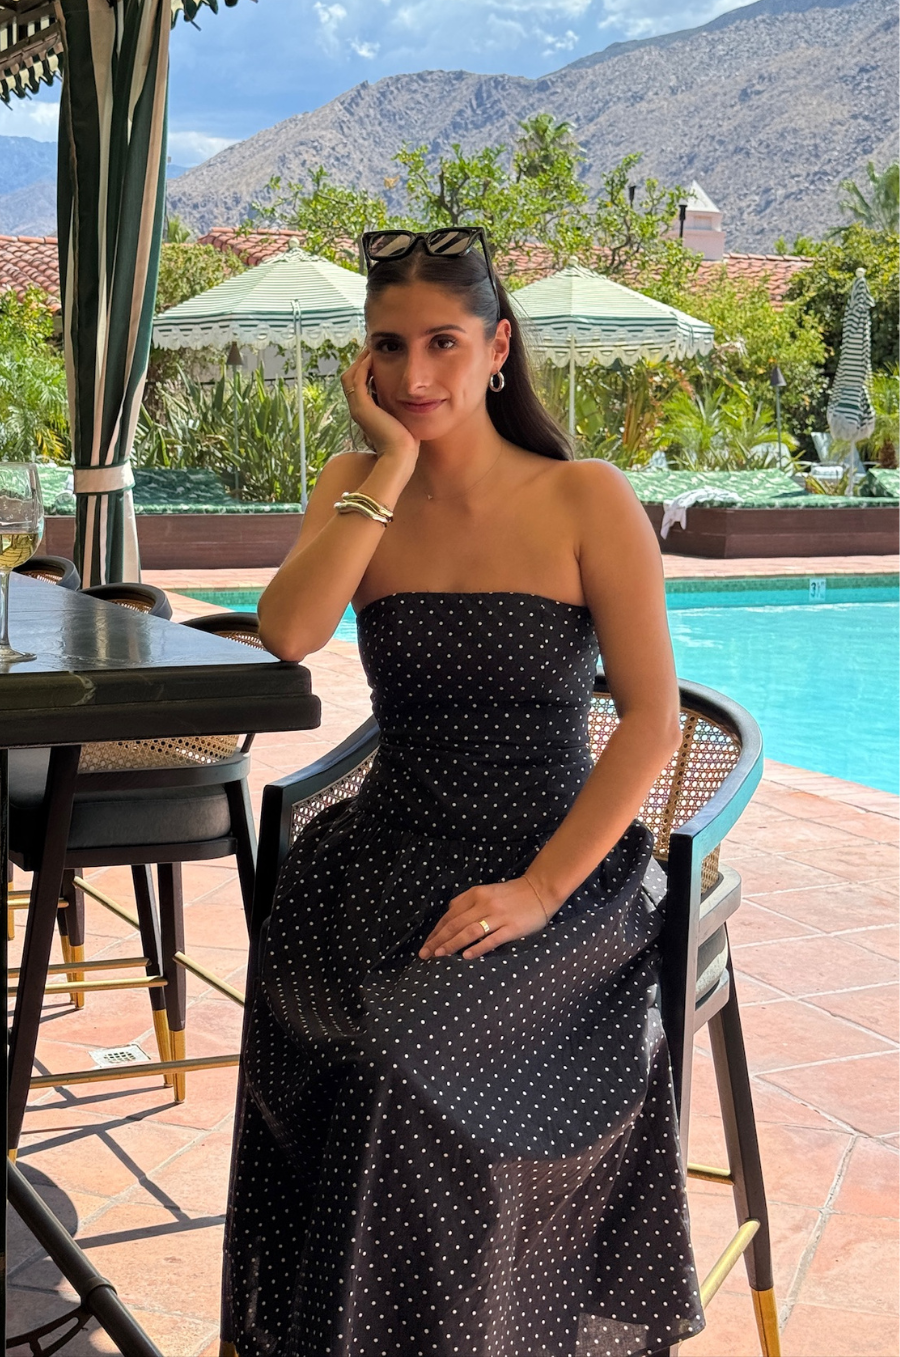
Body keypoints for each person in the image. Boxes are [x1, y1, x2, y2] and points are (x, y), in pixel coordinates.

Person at [220, 227, 705, 1357]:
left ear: (498, 349)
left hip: (552, 872)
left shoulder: (587, 499)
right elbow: (289, 633)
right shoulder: (354, 486)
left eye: (445, 341)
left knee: (402, 1066)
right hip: (386, 853)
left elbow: (649, 718)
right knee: (325, 1039)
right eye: (391, 347)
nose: (419, 374)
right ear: (366, 366)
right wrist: (384, 466)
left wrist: (538, 890)